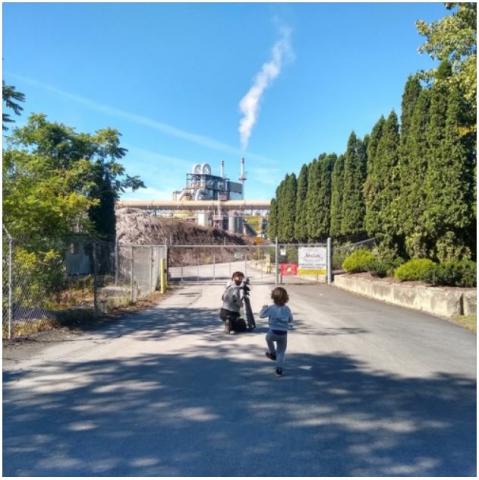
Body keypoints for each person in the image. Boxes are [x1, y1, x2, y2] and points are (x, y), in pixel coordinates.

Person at [259, 287, 293, 376]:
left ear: (273, 297)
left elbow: (261, 315)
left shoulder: (271, 308)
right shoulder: (287, 308)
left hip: (272, 332)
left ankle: (272, 352)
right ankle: (279, 370)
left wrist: (264, 308)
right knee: (281, 352)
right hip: (283, 334)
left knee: (268, 339)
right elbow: (290, 320)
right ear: (286, 298)